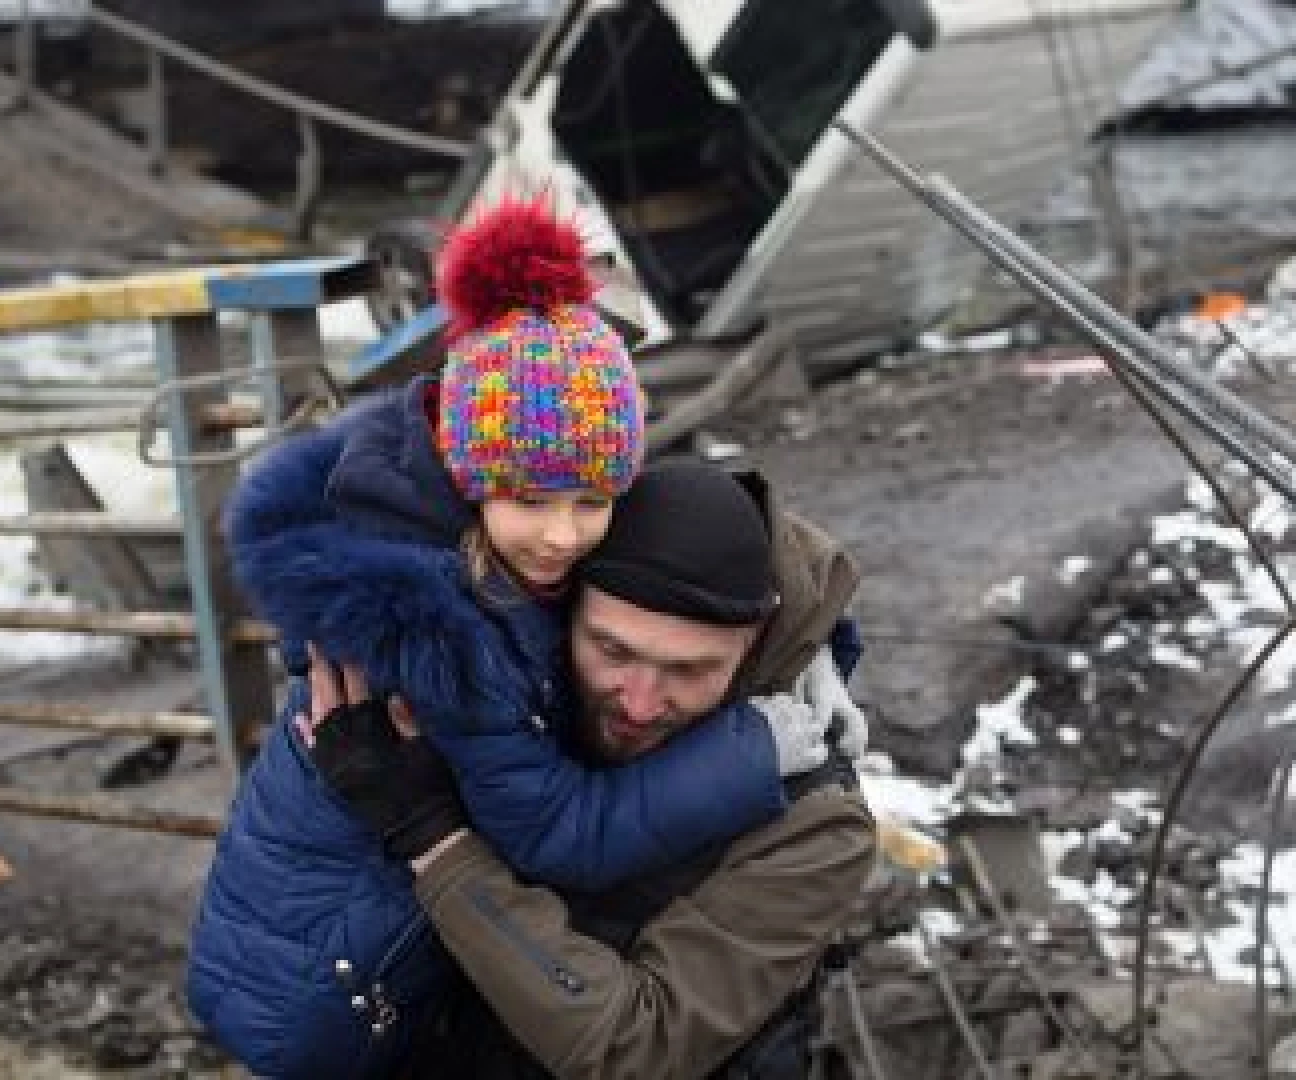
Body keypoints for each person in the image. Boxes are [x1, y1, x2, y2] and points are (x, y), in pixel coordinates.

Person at [185, 201, 844, 1078]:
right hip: (320, 986)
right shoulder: (441, 638)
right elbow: (556, 835)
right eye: (532, 501)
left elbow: (703, 553)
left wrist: (819, 647)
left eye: (592, 502)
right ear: (468, 477)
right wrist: (751, 747)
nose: (565, 536)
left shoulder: (498, 537)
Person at [305, 461, 879, 1079]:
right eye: (612, 651)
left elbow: (633, 1047)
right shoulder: (515, 689)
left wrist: (433, 840)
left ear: (755, 645)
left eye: (689, 671)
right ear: (562, 607)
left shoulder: (816, 822)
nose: (637, 703)